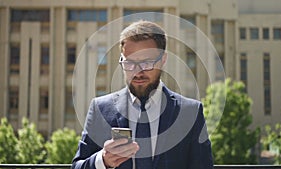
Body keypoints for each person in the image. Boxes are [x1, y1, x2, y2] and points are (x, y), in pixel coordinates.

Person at [72, 20, 213, 169]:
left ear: (163, 59)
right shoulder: (100, 108)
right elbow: (77, 166)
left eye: (147, 63)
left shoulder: (190, 112)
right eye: (129, 63)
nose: (138, 72)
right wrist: (103, 160)